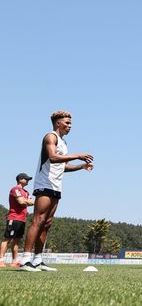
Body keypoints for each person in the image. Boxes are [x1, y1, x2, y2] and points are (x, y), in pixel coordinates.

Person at [20, 110, 94, 272]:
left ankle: (38, 260)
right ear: (58, 123)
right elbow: (53, 157)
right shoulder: (50, 136)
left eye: (71, 123)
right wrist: (77, 156)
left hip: (56, 186)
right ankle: (25, 260)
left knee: (47, 224)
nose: (70, 126)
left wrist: (82, 166)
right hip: (44, 184)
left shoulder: (64, 143)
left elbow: (62, 166)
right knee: (38, 220)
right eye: (67, 123)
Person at [0, 173, 35, 268]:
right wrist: (26, 201)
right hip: (13, 217)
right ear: (20, 179)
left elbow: (32, 202)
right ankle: (1, 260)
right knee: (7, 239)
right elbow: (21, 202)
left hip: (22, 219)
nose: (28, 181)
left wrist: (26, 201)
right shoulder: (15, 189)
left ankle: (15, 261)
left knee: (17, 240)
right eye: (26, 179)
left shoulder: (26, 192)